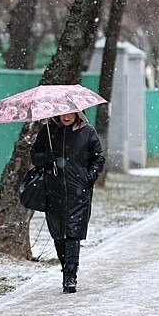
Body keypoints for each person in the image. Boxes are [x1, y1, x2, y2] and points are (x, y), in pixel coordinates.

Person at [30, 111, 105, 293]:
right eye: (62, 114)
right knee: (58, 233)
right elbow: (34, 155)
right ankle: (66, 267)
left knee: (73, 232)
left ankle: (70, 275)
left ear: (78, 113)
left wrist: (89, 177)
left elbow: (98, 157)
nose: (65, 118)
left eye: (70, 114)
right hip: (53, 191)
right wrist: (45, 158)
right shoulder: (47, 131)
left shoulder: (88, 132)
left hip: (78, 192)